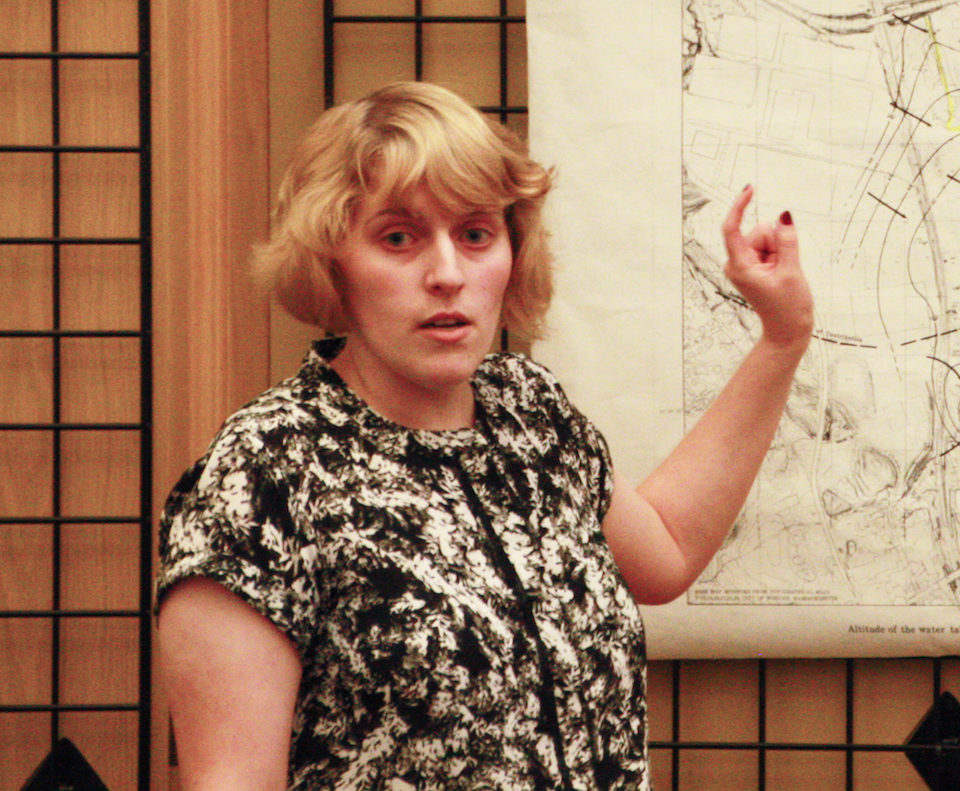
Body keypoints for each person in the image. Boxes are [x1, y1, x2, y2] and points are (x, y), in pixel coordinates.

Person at [155, 81, 814, 791]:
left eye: (475, 234)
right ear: (332, 259)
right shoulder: (267, 470)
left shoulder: (529, 410)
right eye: (399, 237)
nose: (447, 274)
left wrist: (783, 338)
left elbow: (668, 548)